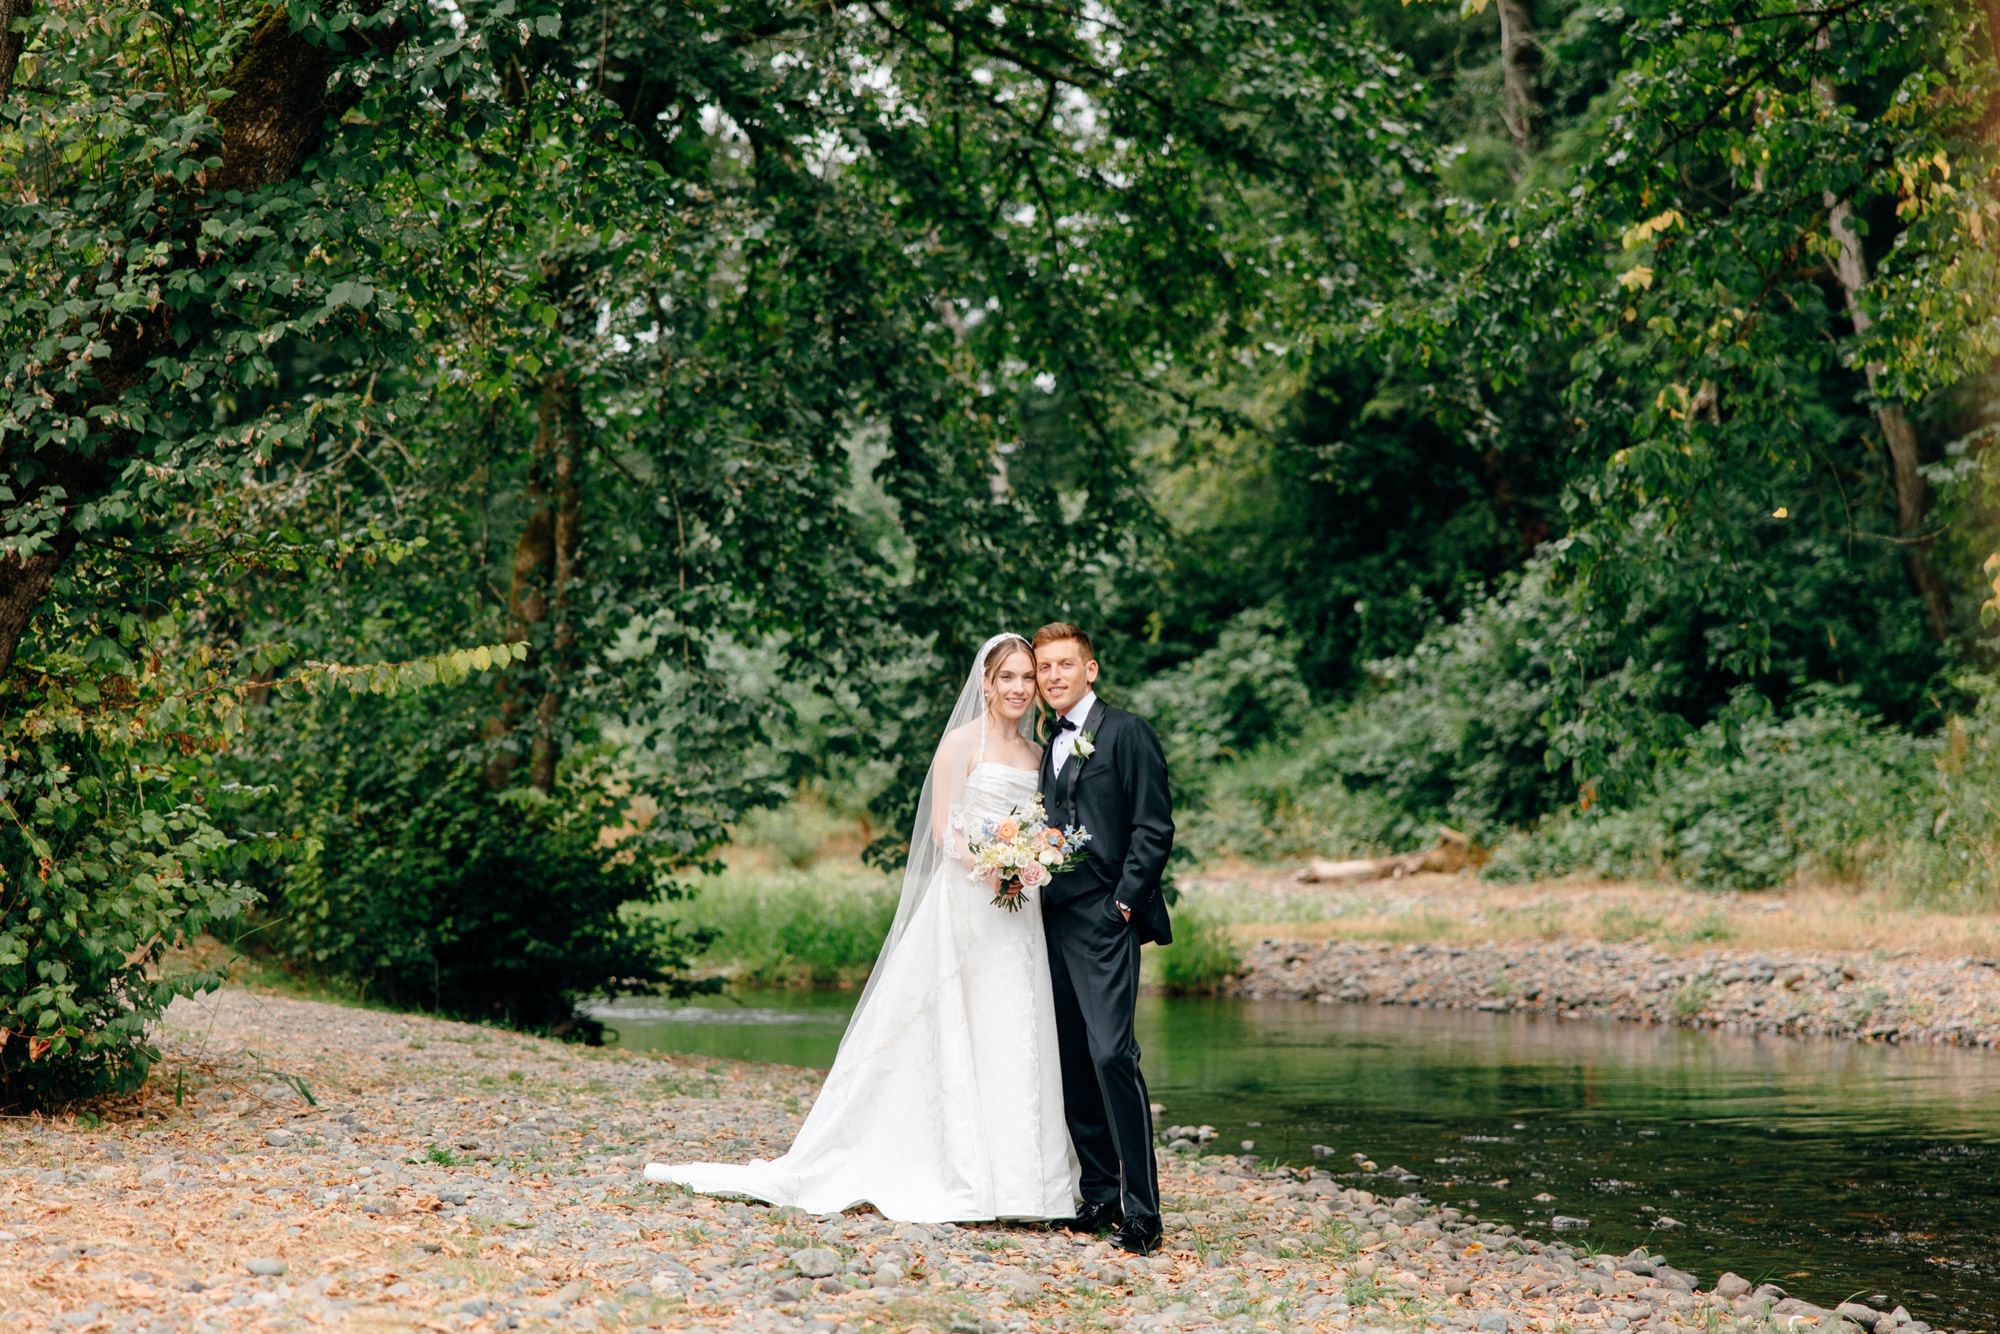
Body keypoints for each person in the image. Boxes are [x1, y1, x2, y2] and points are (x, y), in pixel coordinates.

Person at [643, 634, 1079, 1223]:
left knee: (1014, 1023)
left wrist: (1028, 862)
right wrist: (990, 861)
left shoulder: (1035, 754)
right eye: (1009, 678)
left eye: (1028, 679)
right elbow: (941, 830)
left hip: (1018, 909)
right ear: (986, 682)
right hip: (967, 899)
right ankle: (962, 1173)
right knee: (956, 1019)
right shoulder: (959, 745)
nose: (1020, 689)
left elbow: (1042, 824)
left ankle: (1026, 1185)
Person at [1032, 621, 1174, 1256]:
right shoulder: (1048, 743)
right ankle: (1098, 1195)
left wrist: (1125, 900)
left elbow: (1154, 826)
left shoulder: (1126, 733)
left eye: (1065, 664)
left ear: (1090, 669)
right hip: (1048, 920)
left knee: (1114, 1054)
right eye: (1044, 668)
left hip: (1104, 918)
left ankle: (1143, 1213)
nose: (1054, 675)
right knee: (1072, 1059)